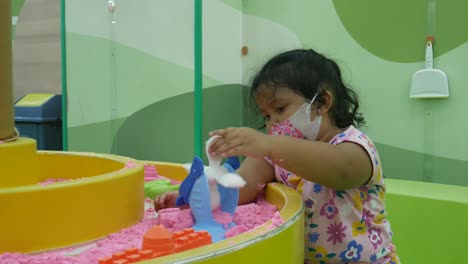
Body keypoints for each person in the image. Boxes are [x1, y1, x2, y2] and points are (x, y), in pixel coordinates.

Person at [155, 49, 400, 264]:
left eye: (280, 109)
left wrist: (269, 145)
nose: (273, 123)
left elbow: (342, 171)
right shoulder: (275, 157)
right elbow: (240, 186)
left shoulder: (354, 148)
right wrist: (194, 196)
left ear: (322, 102)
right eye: (267, 116)